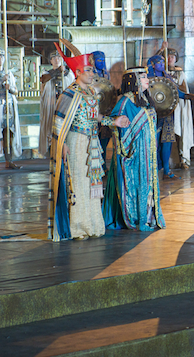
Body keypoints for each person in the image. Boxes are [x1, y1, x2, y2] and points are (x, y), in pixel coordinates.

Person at [49, 45, 126, 241]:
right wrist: (62, 144)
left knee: (93, 183)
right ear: (78, 72)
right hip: (75, 141)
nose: (93, 73)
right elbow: (58, 120)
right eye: (89, 70)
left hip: (92, 141)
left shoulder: (91, 92)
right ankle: (78, 227)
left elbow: (95, 116)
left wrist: (113, 121)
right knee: (78, 183)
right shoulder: (69, 93)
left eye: (92, 70)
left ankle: (93, 224)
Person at [103, 67, 165, 231]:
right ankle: (137, 216)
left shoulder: (144, 99)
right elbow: (114, 123)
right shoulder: (125, 102)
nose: (147, 80)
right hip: (135, 153)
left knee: (148, 183)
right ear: (134, 80)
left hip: (148, 152)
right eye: (143, 77)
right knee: (137, 184)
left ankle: (149, 215)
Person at [147, 54, 194, 178]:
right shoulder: (147, 79)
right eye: (159, 63)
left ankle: (167, 171)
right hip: (153, 116)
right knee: (153, 143)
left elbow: (177, 93)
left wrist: (192, 96)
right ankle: (152, 171)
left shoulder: (168, 78)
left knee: (167, 141)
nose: (162, 64)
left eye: (163, 62)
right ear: (153, 65)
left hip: (167, 114)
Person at [155, 44, 194, 170]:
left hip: (177, 107)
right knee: (159, 138)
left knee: (178, 132)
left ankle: (183, 158)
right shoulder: (159, 72)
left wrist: (190, 96)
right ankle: (160, 165)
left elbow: (182, 91)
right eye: (167, 56)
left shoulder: (179, 72)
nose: (170, 58)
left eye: (172, 56)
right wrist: (161, 49)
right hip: (162, 109)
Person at [39, 50, 73, 155]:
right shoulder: (47, 74)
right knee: (51, 128)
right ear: (50, 61)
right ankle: (52, 151)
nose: (56, 60)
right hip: (52, 106)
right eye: (54, 58)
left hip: (64, 106)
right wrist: (58, 71)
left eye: (58, 58)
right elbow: (44, 79)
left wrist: (63, 71)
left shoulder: (68, 74)